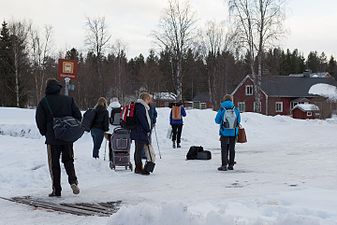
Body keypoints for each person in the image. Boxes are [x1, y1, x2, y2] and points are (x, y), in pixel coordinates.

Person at [35, 78, 82, 197]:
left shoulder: (44, 102)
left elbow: (39, 120)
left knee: (54, 164)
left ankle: (57, 189)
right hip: (67, 137)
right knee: (69, 160)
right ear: (58, 88)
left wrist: (45, 132)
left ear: (47, 88)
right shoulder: (69, 100)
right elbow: (78, 115)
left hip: (52, 138)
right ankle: (73, 181)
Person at [215, 94, 241, 171]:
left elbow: (217, 120)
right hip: (233, 132)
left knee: (224, 149)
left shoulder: (222, 109)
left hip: (224, 132)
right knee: (232, 148)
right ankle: (231, 165)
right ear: (231, 100)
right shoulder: (235, 109)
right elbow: (238, 121)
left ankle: (224, 165)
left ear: (224, 100)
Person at [130, 92, 152, 175]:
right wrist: (147, 129)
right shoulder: (140, 107)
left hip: (137, 131)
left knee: (138, 150)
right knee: (138, 150)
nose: (149, 101)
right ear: (145, 99)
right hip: (140, 131)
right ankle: (138, 167)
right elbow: (142, 120)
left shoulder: (139, 106)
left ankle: (138, 167)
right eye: (148, 99)